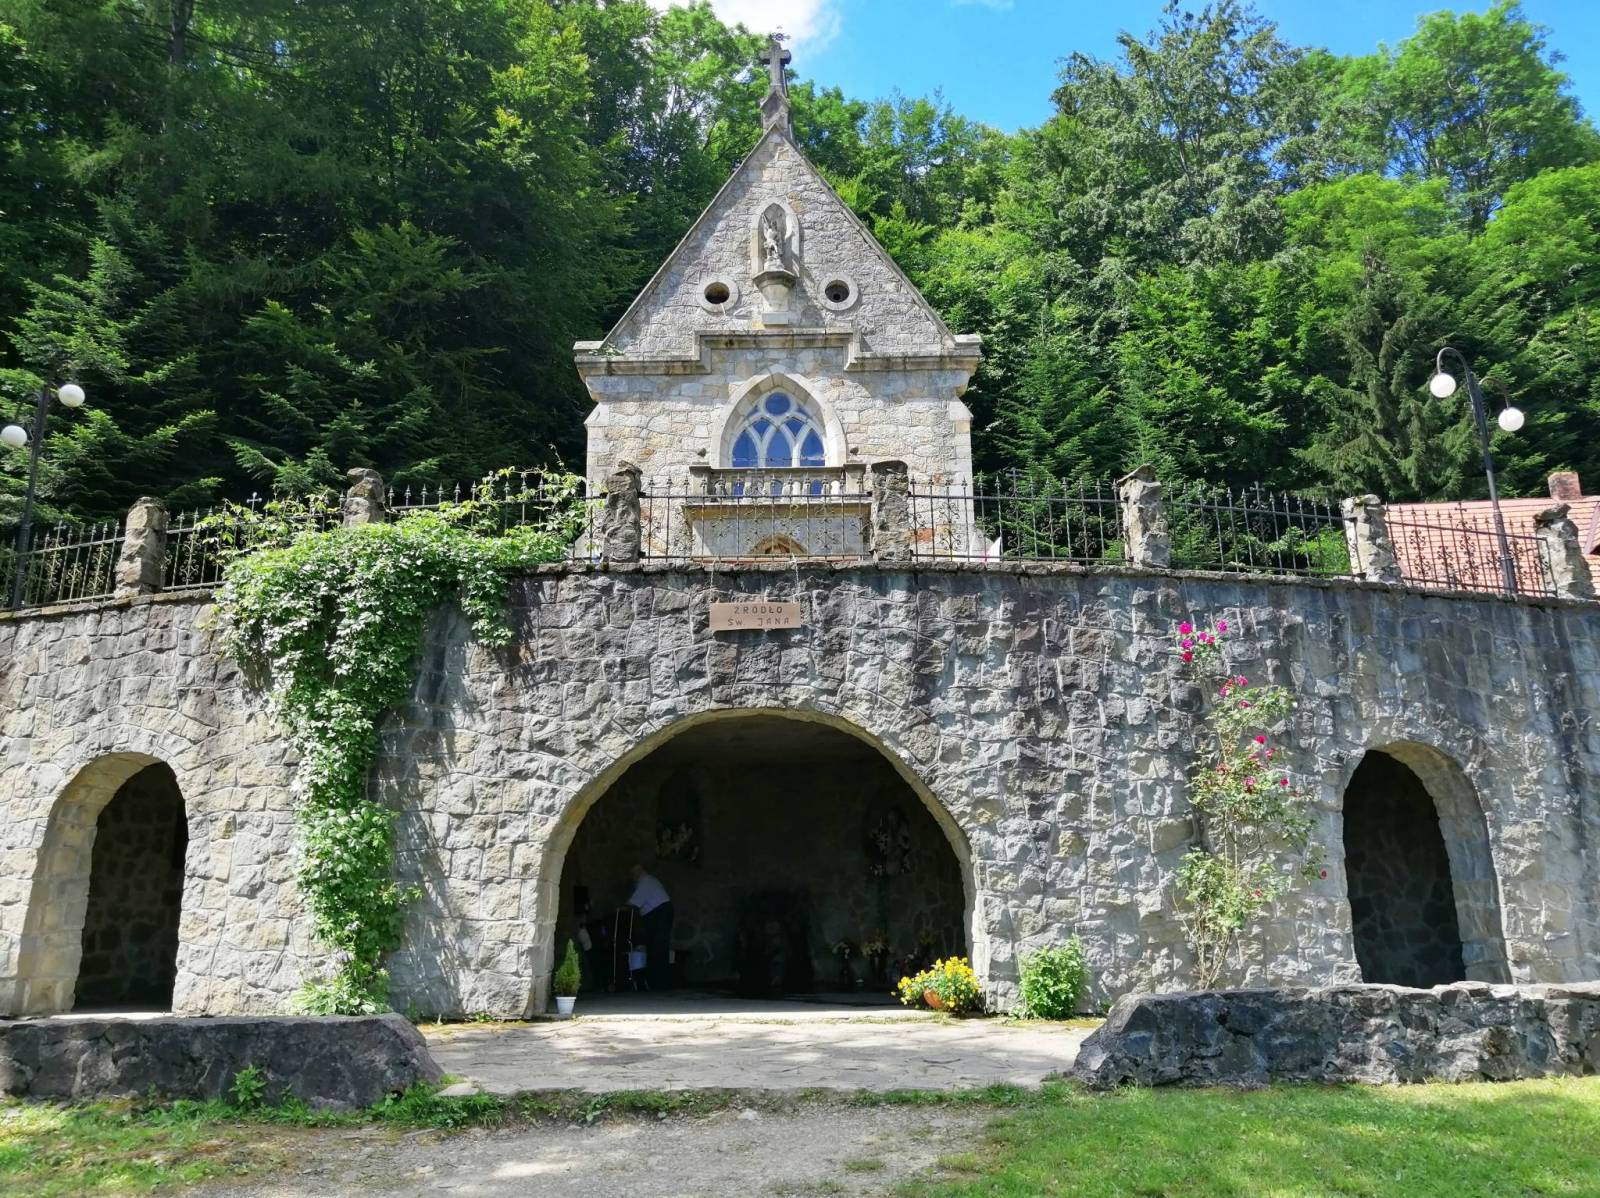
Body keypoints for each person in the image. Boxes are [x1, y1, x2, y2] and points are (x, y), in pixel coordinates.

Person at [628, 864, 674, 992]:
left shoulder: (645, 881)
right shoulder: (646, 881)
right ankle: (657, 982)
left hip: (660, 914)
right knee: (655, 947)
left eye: (633, 873)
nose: (632, 876)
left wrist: (621, 908)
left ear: (639, 872)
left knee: (658, 947)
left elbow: (634, 902)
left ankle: (660, 982)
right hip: (657, 914)